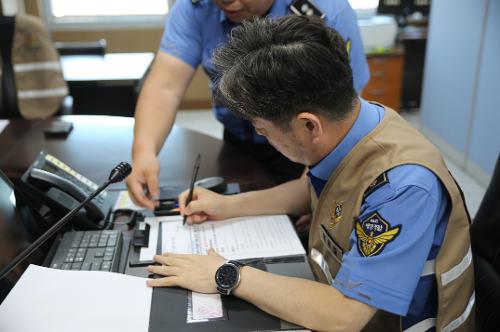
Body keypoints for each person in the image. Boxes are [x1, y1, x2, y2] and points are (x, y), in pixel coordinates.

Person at [145, 16, 475, 331]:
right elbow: (313, 187)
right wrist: (227, 205)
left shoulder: (403, 186)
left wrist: (227, 274)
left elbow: (344, 316)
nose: (263, 138)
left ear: (308, 125)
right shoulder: (350, 123)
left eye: (262, 130)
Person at [127, 0, 370, 210]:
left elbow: (340, 113)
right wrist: (144, 152)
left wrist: (313, 192)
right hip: (237, 141)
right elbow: (165, 85)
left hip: (307, 144)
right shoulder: (196, 7)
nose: (226, 3)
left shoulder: (328, 11)